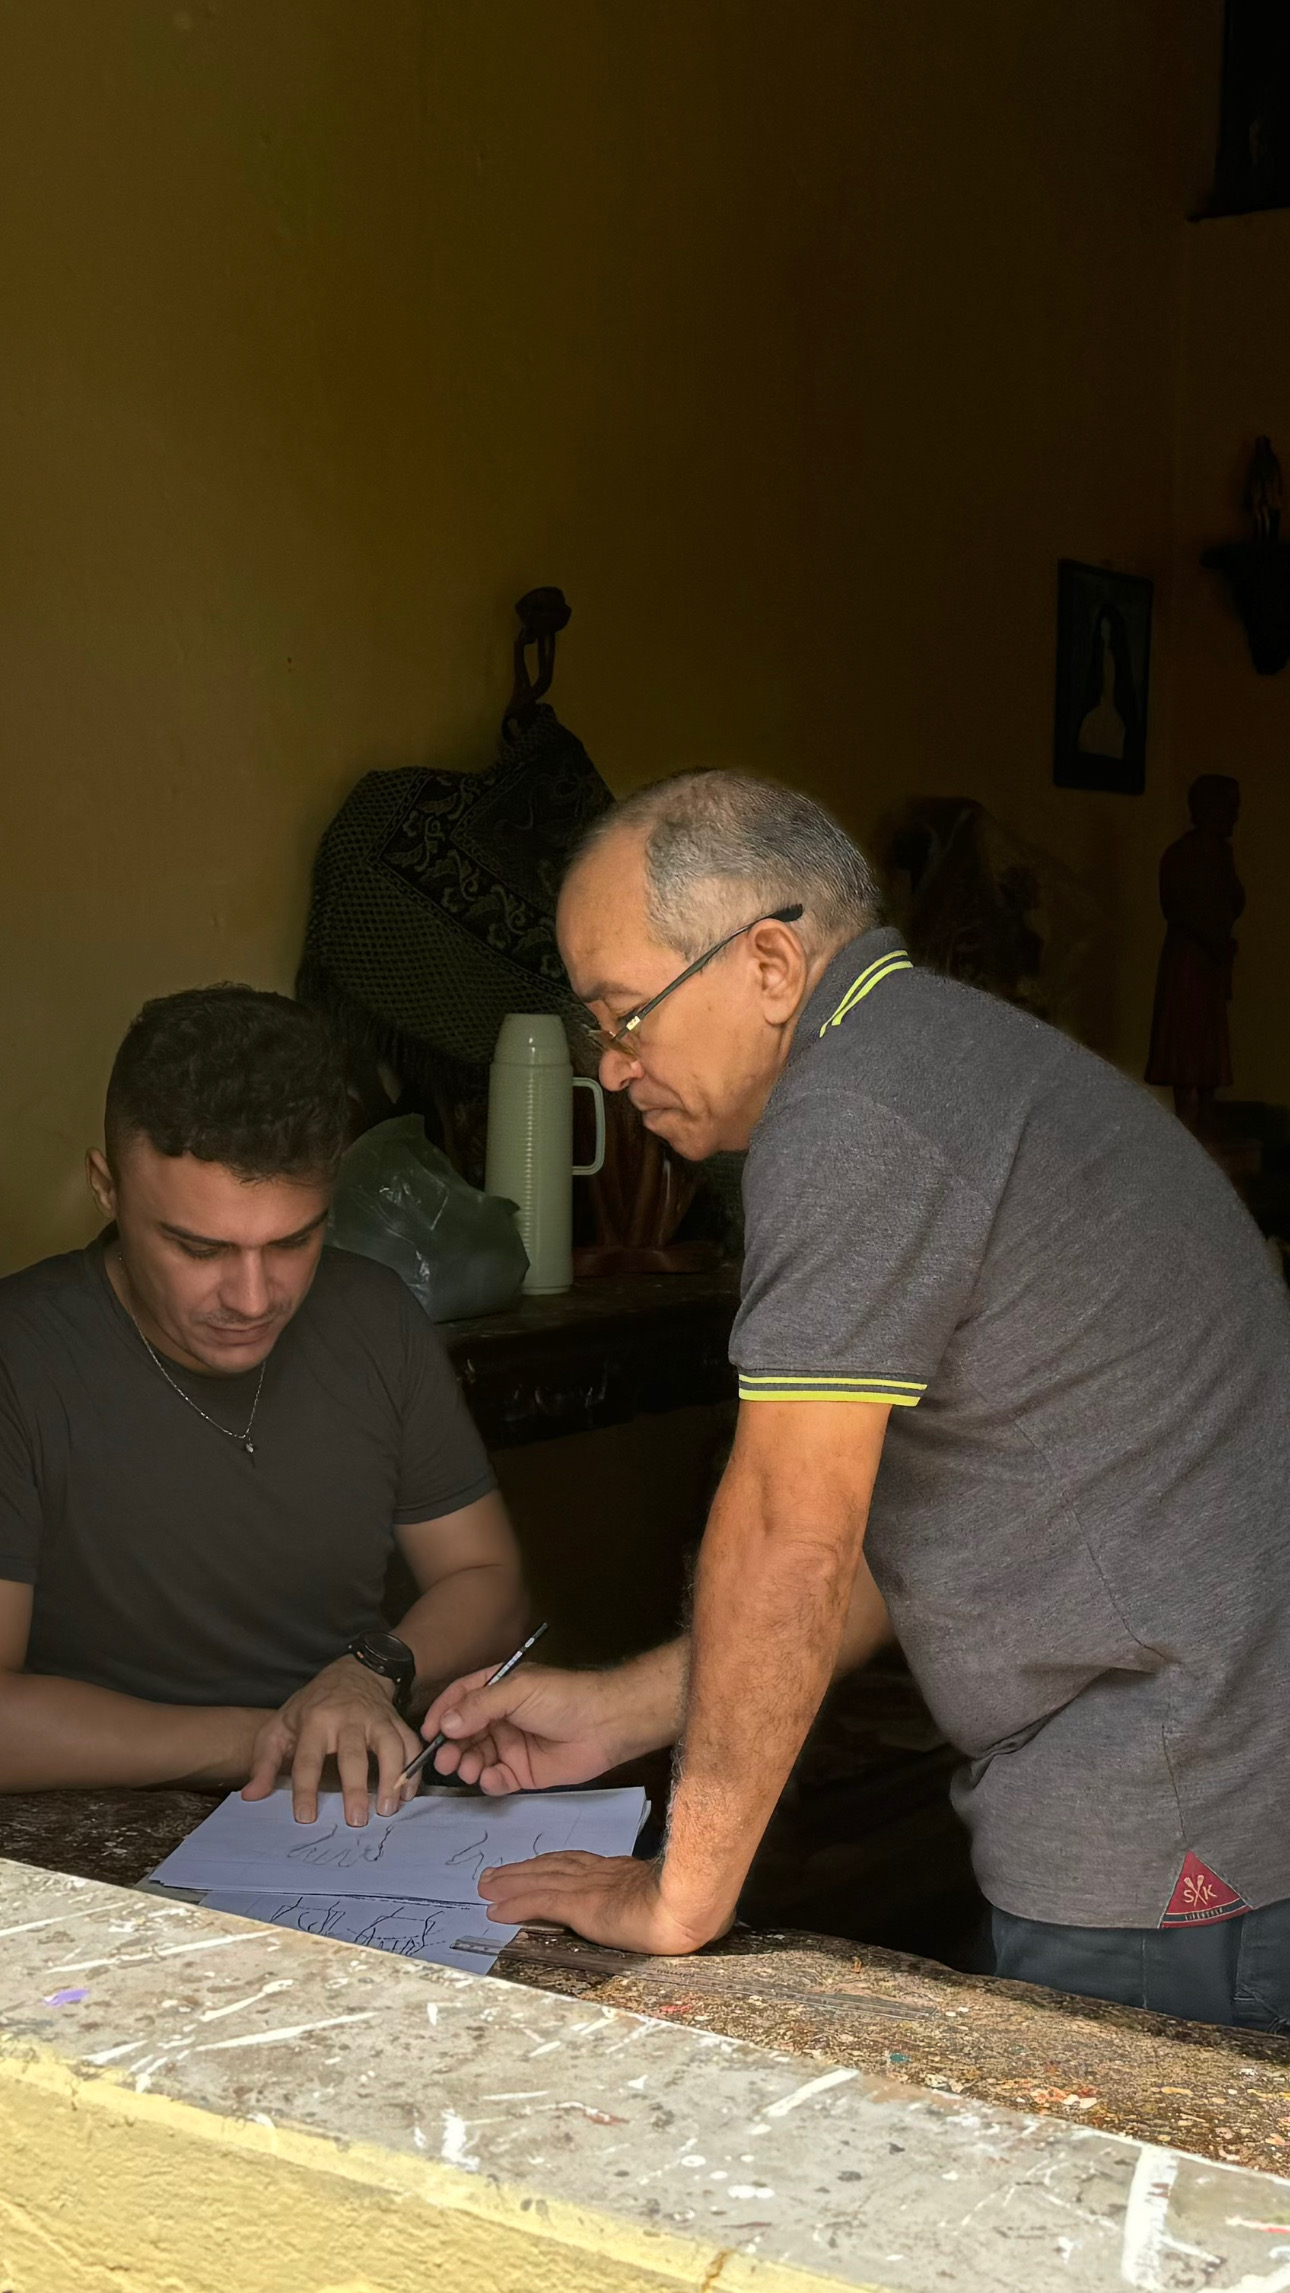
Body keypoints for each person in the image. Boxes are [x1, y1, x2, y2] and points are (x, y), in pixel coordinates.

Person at [418, 771, 1290, 2029]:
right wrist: (623, 1710)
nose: (611, 1068)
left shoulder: (858, 1110)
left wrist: (678, 1894)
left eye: (626, 1016)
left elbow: (794, 1535)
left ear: (771, 964)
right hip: (1213, 1774)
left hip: (1170, 1808)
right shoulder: (933, 1054)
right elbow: (905, 1554)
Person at [0, 986, 525, 1825]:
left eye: (293, 1239)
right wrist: (272, 1737)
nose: (253, 1298)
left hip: (355, 1816)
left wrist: (370, 1674)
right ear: (106, 1188)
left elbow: (488, 1583)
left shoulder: (374, 1318)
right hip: (99, 1824)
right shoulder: (19, 1357)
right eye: (198, 1247)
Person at [1145, 774, 1244, 1132]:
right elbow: (1179, 907)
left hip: (1209, 959)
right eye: (1231, 807)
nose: (1235, 815)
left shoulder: (1221, 854)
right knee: (1187, 1034)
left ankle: (1205, 1109)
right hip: (1190, 958)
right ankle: (1189, 1114)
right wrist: (1211, 935)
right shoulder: (1182, 855)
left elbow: (1233, 899)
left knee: (1206, 1038)